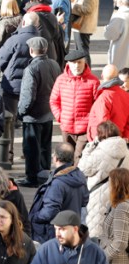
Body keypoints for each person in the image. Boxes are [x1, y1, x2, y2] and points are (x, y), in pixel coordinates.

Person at [19, 37, 61, 186]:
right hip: (48, 113)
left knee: (31, 149)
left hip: (33, 116)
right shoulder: (54, 65)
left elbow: (28, 95)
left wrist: (21, 112)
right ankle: (44, 175)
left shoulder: (31, 69)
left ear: (31, 50)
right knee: (45, 147)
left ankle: (32, 178)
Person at [28, 145, 88, 243]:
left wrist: (34, 217)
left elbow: (49, 212)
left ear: (56, 158)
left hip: (53, 233)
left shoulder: (57, 183)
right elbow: (85, 200)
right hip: (71, 228)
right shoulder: (79, 176)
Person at [49, 48, 100, 161]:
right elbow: (54, 101)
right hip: (67, 128)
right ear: (68, 64)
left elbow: (97, 106)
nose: (77, 66)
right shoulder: (61, 79)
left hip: (85, 129)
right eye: (73, 63)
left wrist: (92, 124)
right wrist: (60, 117)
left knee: (79, 157)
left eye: (79, 62)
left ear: (84, 63)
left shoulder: (93, 81)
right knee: (67, 158)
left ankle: (77, 178)